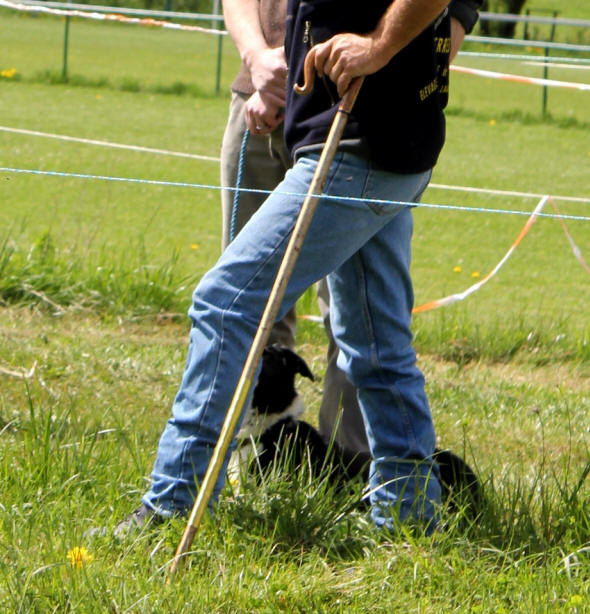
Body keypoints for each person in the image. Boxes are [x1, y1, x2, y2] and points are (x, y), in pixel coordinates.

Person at [117, 0, 482, 535]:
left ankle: (172, 505)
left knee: (225, 303)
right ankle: (410, 519)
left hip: (361, 144)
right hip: (376, 141)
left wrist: (378, 46)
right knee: (375, 342)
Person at [219, 0, 368, 454]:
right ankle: (252, 456)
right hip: (256, 107)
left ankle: (348, 468)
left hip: (349, 118)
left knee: (349, 314)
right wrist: (257, 60)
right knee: (243, 300)